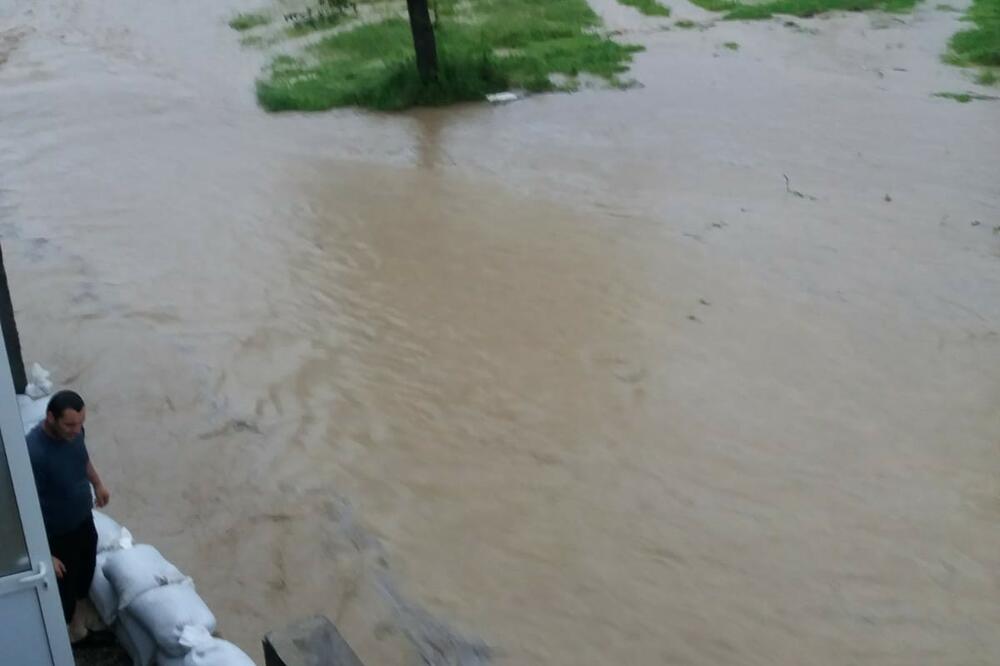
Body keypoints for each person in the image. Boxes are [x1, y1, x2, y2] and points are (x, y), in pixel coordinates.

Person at [26, 390, 111, 643]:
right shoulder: (34, 453)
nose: (76, 430)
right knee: (64, 587)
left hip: (83, 520)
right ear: (51, 417)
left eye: (81, 423)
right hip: (56, 534)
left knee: (86, 570)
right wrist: (43, 552)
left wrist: (97, 484)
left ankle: (80, 622)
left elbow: (82, 458)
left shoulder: (74, 434)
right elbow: (25, 506)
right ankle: (65, 637)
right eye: (70, 424)